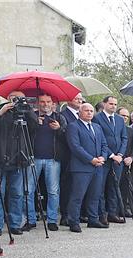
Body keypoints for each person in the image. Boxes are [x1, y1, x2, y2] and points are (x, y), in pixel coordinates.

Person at [0, 90, 39, 236]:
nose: (18, 101)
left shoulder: (25, 112)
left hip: (19, 159)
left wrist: (27, 109)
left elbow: (35, 126)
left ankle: (15, 224)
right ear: (7, 98)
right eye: (15, 98)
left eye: (21, 98)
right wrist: (1, 113)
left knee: (17, 193)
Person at [66, 103, 110, 233]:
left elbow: (104, 144)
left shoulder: (97, 127)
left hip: (98, 167)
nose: (90, 113)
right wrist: (91, 159)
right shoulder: (73, 126)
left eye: (91, 111)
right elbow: (75, 147)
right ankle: (73, 221)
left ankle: (93, 219)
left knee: (95, 195)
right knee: (77, 196)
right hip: (81, 167)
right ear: (80, 112)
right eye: (86, 110)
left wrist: (103, 157)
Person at [28, 94, 67, 231]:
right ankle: (30, 220)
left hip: (53, 159)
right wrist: (34, 124)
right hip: (33, 158)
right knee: (29, 190)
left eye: (48, 102)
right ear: (38, 103)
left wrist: (59, 129)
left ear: (52, 103)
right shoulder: (31, 117)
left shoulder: (59, 117)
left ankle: (52, 220)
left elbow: (67, 136)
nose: (45, 104)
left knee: (53, 191)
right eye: (42, 102)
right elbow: (24, 135)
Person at [93, 95, 128, 224]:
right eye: (111, 104)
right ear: (104, 104)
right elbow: (99, 140)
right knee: (100, 188)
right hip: (104, 159)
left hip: (118, 160)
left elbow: (124, 138)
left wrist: (120, 154)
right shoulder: (97, 119)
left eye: (115, 104)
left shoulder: (119, 119)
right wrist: (112, 155)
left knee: (114, 186)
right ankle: (102, 214)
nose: (113, 106)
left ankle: (112, 213)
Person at [59, 92, 83, 226]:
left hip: (81, 158)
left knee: (77, 187)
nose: (79, 100)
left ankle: (76, 214)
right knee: (67, 186)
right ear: (68, 100)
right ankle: (65, 215)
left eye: (81, 98)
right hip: (68, 156)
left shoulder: (83, 115)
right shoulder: (63, 115)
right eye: (76, 98)